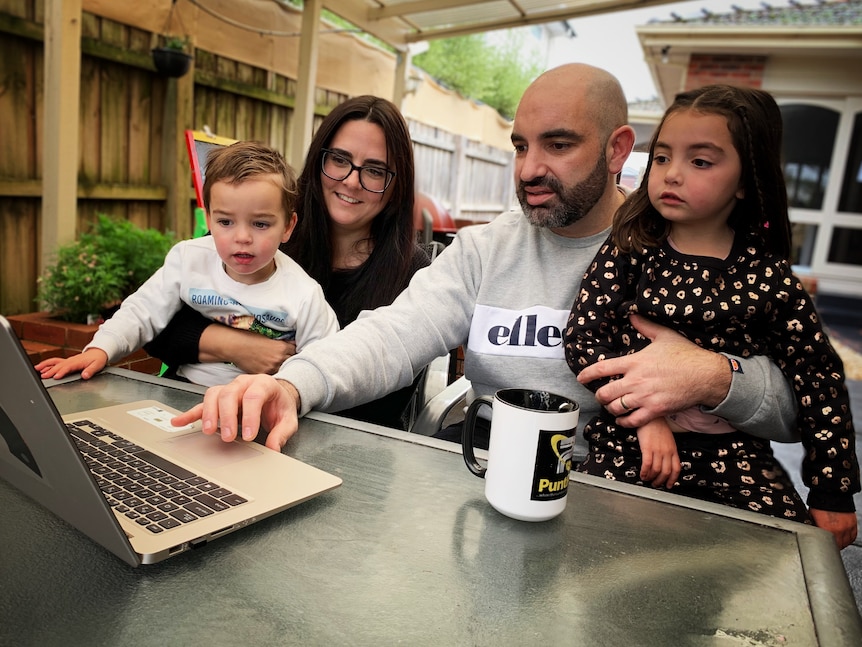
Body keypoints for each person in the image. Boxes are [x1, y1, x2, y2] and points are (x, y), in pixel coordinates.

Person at [172, 63, 799, 494]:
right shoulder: (485, 249)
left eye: (558, 145)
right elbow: (394, 333)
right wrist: (293, 386)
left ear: (616, 150)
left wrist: (715, 377)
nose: (529, 169)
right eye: (520, 145)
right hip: (494, 486)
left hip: (637, 497)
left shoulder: (688, 249)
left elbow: (798, 404)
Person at [564, 84, 859, 549]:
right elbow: (585, 337)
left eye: (700, 161)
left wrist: (832, 490)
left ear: (746, 178)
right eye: (662, 158)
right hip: (631, 446)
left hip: (734, 457)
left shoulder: (768, 278)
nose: (671, 174)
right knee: (598, 557)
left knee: (783, 563)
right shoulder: (631, 249)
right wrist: (646, 419)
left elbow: (817, 379)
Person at [144, 96, 430, 427]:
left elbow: (384, 400)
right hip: (208, 419)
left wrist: (291, 383)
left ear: (397, 184)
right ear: (318, 159)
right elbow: (155, 326)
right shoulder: (265, 225)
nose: (352, 180)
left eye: (375, 170)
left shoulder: (412, 272)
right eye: (339, 159)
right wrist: (240, 348)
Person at [35, 141, 339, 386]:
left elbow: (324, 367)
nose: (242, 237)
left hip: (257, 409)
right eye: (225, 221)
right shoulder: (189, 258)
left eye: (260, 224)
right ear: (208, 219)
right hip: (182, 391)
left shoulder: (303, 295)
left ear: (288, 227)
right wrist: (101, 349)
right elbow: (142, 310)